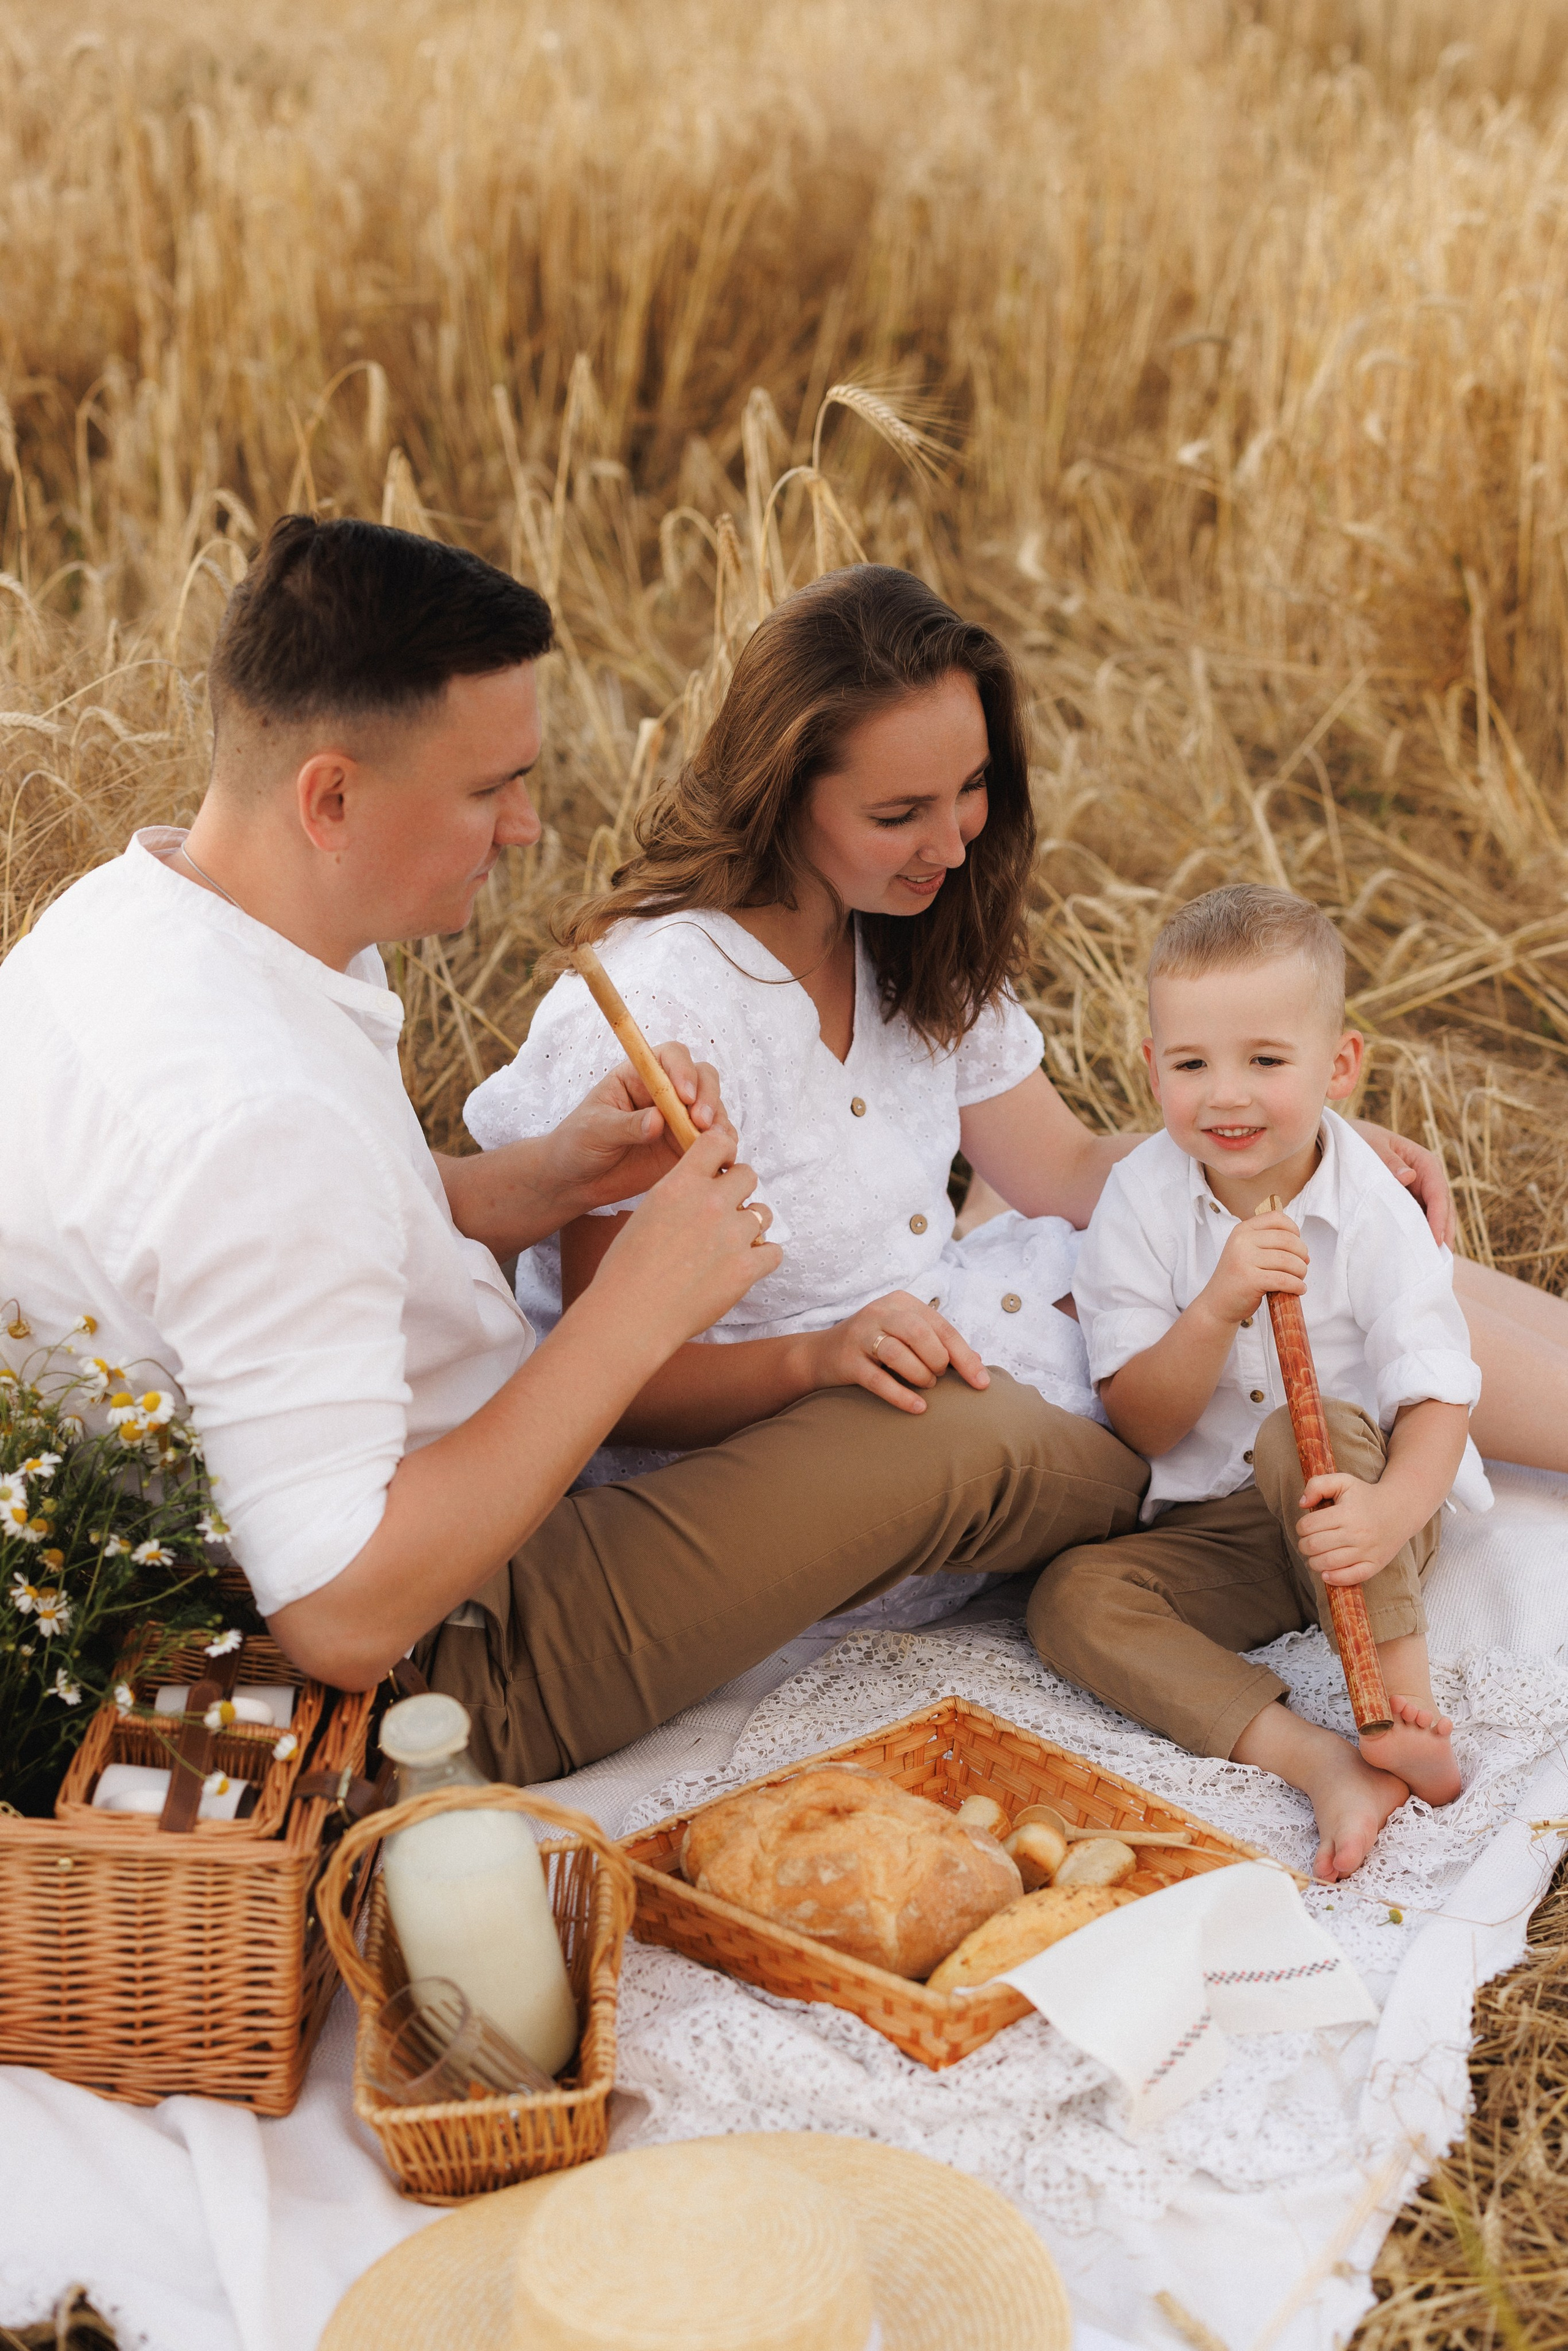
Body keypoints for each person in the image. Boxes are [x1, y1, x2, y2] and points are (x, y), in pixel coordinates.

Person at [0, 516, 1155, 1786]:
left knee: (981, 1392)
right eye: (487, 789)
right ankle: (1213, 1521)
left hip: (388, 1532)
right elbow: (341, 1618)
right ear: (330, 796)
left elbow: (318, 1216)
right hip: (446, 1654)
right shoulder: (258, 1119)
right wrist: (641, 1305)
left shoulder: (139, 921)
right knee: (971, 1442)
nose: (527, 826)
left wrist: (548, 1177)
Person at [468, 565, 1542, 1628]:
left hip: (956, 1344)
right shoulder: (667, 1007)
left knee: (1341, 1234)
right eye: (900, 812)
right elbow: (613, 1380)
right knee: (1265, 1292)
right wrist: (817, 1358)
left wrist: (1295, 1144)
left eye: (971, 789)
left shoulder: (897, 924)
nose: (951, 843)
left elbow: (1062, 1168)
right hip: (822, 1461)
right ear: (784, 792)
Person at [1040, 885, 1479, 1881]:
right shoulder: (1139, 1201)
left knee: (1303, 1428)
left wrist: (1389, 1513)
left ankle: (1397, 1711)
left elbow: (1438, 1392)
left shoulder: (1373, 1203)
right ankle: (1319, 1759)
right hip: (1230, 1528)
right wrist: (1216, 1307)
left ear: (1341, 1065)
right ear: (1152, 1067)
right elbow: (1144, 1422)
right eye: (1192, 1064)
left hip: (1368, 1503)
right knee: (1072, 1598)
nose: (1225, 1095)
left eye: (1266, 1061)